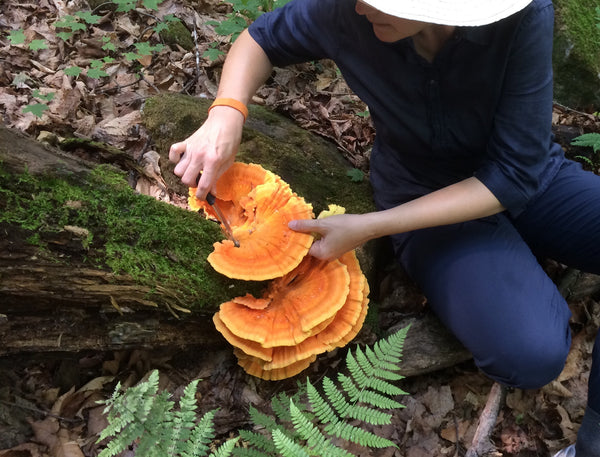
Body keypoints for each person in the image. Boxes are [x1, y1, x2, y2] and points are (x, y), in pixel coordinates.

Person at [168, 0, 600, 455]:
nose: (360, 4)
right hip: (418, 191)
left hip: (528, 177)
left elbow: (516, 172)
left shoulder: (522, 17)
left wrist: (373, 226)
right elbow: (260, 39)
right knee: (530, 353)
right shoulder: (345, 11)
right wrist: (227, 111)